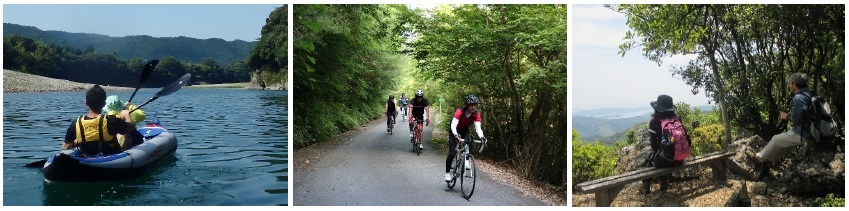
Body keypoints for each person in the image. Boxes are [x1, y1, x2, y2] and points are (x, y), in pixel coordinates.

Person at [746, 73, 815, 163]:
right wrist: (793, 114)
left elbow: (797, 119)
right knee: (786, 144)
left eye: (791, 83)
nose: (790, 85)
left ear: (794, 84)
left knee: (776, 139)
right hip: (813, 131)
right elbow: (806, 113)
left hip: (805, 133)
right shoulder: (810, 94)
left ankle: (759, 158)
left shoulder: (799, 97)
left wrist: (786, 116)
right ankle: (770, 159)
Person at [63, 85, 136, 156]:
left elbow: (66, 146)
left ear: (86, 103)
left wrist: (77, 142)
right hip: (111, 159)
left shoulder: (76, 123)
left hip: (86, 160)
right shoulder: (110, 120)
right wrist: (126, 113)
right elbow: (131, 128)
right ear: (104, 104)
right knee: (127, 135)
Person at [640, 94, 685, 194]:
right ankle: (663, 183)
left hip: (667, 161)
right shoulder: (677, 118)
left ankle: (646, 186)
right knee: (662, 154)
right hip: (681, 158)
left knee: (652, 159)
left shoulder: (654, 122)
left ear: (657, 109)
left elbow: (653, 146)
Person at [444, 95, 488, 182]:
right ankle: (447, 172)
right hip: (454, 130)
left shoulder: (476, 114)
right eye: (471, 105)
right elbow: (453, 124)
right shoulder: (460, 111)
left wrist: (482, 137)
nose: (473, 107)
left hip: (464, 130)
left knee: (470, 140)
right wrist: (456, 134)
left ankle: (467, 158)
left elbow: (478, 128)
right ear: (467, 105)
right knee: (452, 153)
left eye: (475, 105)